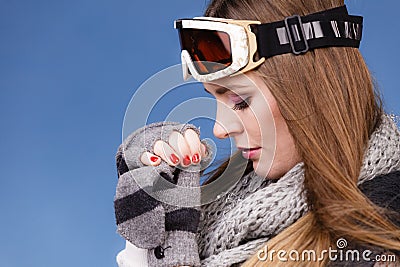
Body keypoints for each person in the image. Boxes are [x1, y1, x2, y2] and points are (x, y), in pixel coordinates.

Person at [114, 0, 400, 266]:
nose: (219, 129)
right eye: (214, 97)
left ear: (312, 91)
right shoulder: (228, 203)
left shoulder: (376, 246)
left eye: (240, 100)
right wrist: (156, 231)